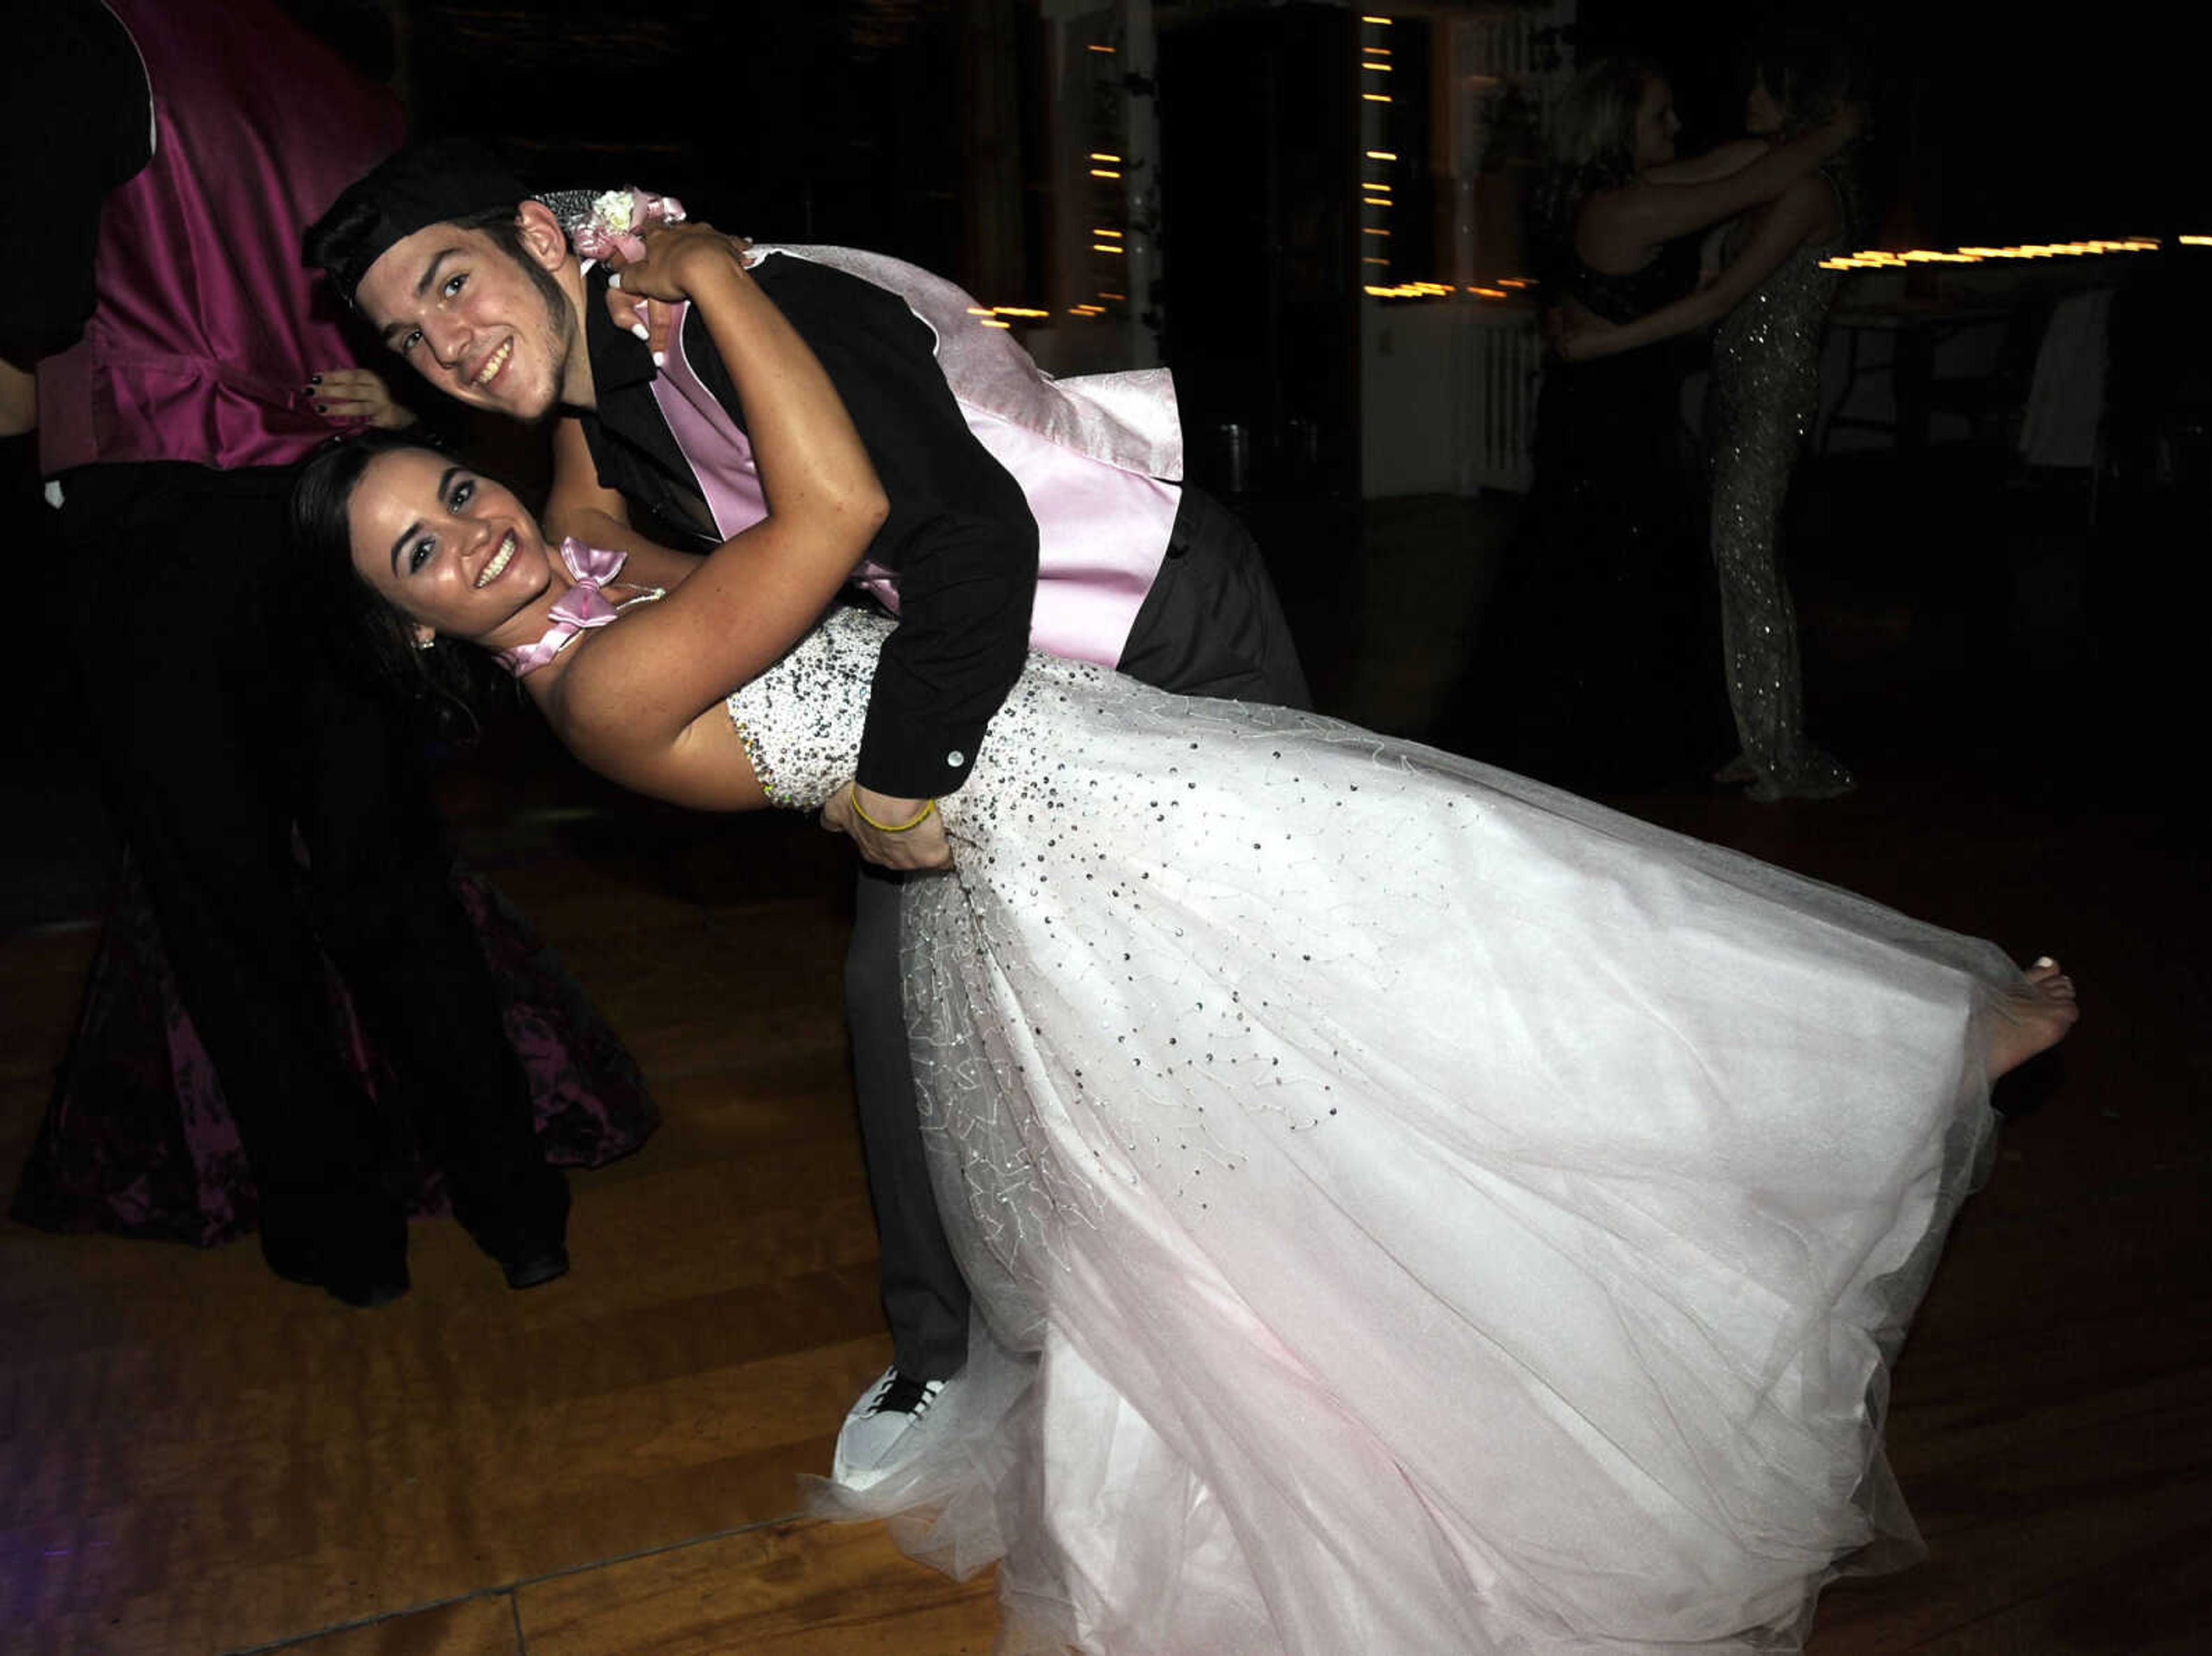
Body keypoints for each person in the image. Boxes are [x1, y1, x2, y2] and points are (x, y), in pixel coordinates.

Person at [296, 223, 2077, 1654]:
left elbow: (578, 494)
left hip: (1084, 767)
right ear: (420, 642)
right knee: (1458, 902)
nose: (475, 531)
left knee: (1329, 1056)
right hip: (1077, 828)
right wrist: (715, 272)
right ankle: (1882, 1056)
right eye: (422, 562)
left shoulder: (586, 579)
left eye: (449, 494)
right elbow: (838, 517)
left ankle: (1858, 1063)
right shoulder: (606, 683)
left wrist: (495, 366)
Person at [303, 146, 1310, 1482]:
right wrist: (543, 366)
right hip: (990, 692)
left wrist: (895, 785)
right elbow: (591, 500)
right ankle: (940, 1354)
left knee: (1261, 984)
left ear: (546, 243)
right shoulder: (605, 382)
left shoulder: (734, 326)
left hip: (1152, 617)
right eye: (409, 335)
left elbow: (967, 543)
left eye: (454, 285)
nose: (447, 343)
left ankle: (1289, 1310)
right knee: (898, 1007)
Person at [1, 0, 615, 1305]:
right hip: (343, 511)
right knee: (388, 872)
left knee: (224, 900)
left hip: (158, 511)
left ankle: (343, 1229)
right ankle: (515, 1199)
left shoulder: (76, 38)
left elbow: (35, 308)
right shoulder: (331, 74)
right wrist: (395, 402)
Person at [1448, 58, 1857, 793]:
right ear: (1619, 130)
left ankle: (1605, 733)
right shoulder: (1625, 209)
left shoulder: (1630, 188)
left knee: (1611, 572)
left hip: (1617, 406)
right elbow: (1751, 184)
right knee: (1591, 571)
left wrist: (1811, 132)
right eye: (1658, 116)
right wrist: (1836, 129)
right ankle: (1584, 742)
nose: (1677, 126)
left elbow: (1745, 164)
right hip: (1603, 416)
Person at [1562, 37, 1866, 801]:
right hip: (1735, 385)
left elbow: (1724, 299)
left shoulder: (1804, 192)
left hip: (1770, 394)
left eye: (1766, 88)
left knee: (1745, 559)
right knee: (1732, 559)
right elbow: (1715, 177)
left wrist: (1603, 340)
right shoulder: (1775, 177)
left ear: (1799, 97)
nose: (1748, 100)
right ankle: (1756, 734)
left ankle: (1780, 754)